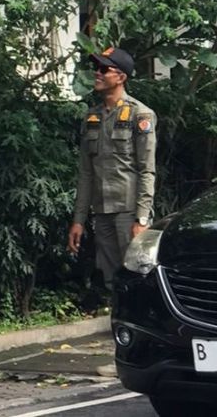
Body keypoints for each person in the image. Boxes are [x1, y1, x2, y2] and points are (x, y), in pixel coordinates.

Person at [67, 47, 156, 375]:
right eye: (98, 69)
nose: (98, 74)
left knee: (136, 281)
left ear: (121, 76)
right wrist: (78, 219)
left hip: (128, 213)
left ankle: (145, 349)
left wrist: (142, 218)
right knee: (111, 280)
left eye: (105, 69)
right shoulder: (91, 116)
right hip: (101, 212)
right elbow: (86, 173)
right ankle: (121, 350)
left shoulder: (139, 115)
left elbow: (147, 170)